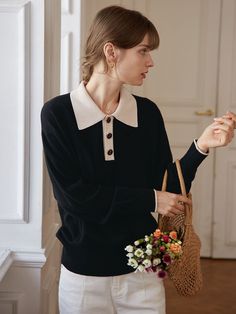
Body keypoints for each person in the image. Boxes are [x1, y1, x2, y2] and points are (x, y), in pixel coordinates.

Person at [41, 5, 234, 314]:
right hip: (84, 277)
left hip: (143, 274)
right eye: (143, 51)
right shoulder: (59, 114)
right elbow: (75, 198)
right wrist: (150, 199)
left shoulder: (147, 113)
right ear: (111, 51)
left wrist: (201, 147)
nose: (151, 61)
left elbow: (165, 186)